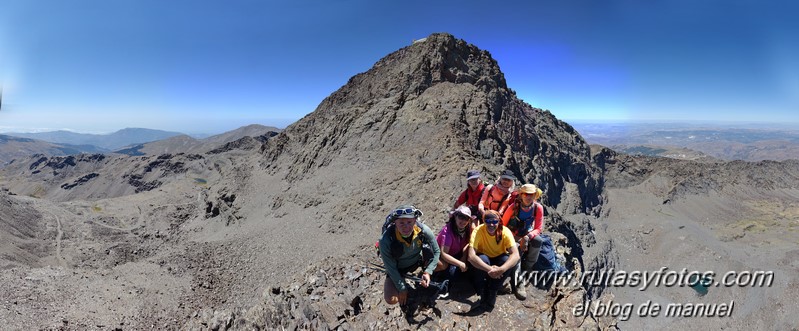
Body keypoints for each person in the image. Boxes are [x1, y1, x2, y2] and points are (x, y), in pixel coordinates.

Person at [379, 205, 441, 306]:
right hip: (397, 268)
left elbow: (437, 252)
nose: (406, 226)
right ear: (395, 222)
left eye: (409, 222)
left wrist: (428, 272)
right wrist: (402, 288)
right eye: (401, 223)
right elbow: (390, 267)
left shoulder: (424, 231)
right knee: (392, 299)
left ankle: (424, 276)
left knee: (441, 265)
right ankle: (401, 280)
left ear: (415, 221)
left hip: (417, 261)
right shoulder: (385, 240)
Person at [466, 210, 520, 314]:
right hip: (484, 258)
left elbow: (516, 255)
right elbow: (471, 256)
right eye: (488, 221)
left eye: (494, 221)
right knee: (482, 260)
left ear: (499, 221)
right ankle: (480, 288)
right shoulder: (478, 231)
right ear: (483, 221)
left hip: (499, 258)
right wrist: (490, 269)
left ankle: (493, 289)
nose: (491, 224)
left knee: (506, 260)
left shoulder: (505, 231)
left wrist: (501, 269)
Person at [501, 184, 545, 300]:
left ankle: (528, 267)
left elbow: (538, 228)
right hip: (512, 235)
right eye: (526, 194)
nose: (528, 197)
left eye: (531, 194)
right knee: (517, 251)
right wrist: (512, 239)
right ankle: (518, 282)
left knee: (538, 241)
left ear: (535, 195)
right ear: (521, 195)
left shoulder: (537, 208)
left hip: (526, 234)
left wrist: (527, 237)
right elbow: (503, 226)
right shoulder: (512, 208)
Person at [433, 205, 474, 293]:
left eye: (466, 218)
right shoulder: (447, 231)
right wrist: (460, 263)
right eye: (461, 217)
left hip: (456, 254)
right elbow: (444, 254)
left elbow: (469, 243)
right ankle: (434, 272)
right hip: (441, 256)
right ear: (455, 216)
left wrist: (464, 256)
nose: (463, 221)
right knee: (447, 268)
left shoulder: (468, 229)